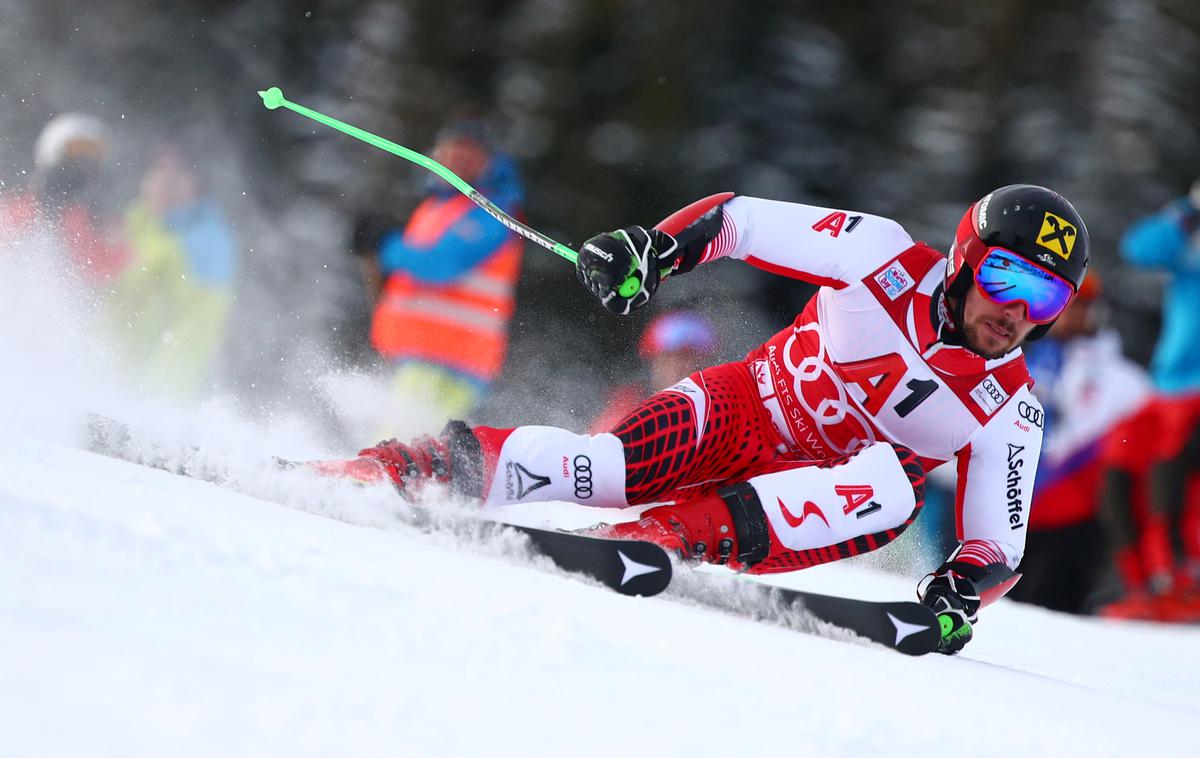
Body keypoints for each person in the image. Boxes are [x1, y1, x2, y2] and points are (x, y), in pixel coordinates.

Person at [316, 185, 1090, 656]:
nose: (1017, 313)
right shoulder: (880, 254)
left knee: (894, 487)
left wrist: (960, 593)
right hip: (740, 408)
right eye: (1005, 277)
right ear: (965, 259)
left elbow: (998, 546)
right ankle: (409, 467)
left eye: (1047, 298)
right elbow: (740, 220)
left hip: (810, 503)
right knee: (606, 470)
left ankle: (662, 540)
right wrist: (654, 250)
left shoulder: (1010, 406)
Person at [350, 117, 525, 425]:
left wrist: (385, 245)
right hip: (414, 353)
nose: (459, 160)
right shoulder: (436, 207)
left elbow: (442, 264)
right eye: (453, 151)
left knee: (396, 450)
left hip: (452, 361)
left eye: (471, 153)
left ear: (488, 162)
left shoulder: (492, 210)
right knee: (398, 450)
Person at [1007, 275, 1152, 613]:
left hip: (1078, 515)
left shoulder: (1125, 381)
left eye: (1079, 306)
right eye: (1062, 305)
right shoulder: (1018, 356)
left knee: (1057, 606)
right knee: (1000, 606)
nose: (1068, 314)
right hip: (1017, 503)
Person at [1099, 179, 1200, 619]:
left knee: (1169, 472)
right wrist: (1186, 214)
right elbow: (1140, 248)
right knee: (1119, 462)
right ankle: (1143, 582)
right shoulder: (1190, 242)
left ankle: (1176, 579)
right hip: (1167, 386)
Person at [105, 143, 239, 398]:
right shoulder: (136, 219)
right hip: (111, 370)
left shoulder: (207, 237)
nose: (165, 184)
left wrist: (160, 398)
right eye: (159, 174)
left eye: (176, 177)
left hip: (159, 390)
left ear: (195, 184)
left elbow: (195, 331)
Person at [0, 113, 125, 285]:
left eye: (90, 159)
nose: (82, 166)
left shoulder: (100, 223)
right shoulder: (16, 212)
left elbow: (115, 271)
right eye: (74, 156)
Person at [589, 310, 720, 433]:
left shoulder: (716, 409)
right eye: (668, 357)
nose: (678, 366)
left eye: (688, 357)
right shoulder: (627, 405)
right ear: (653, 361)